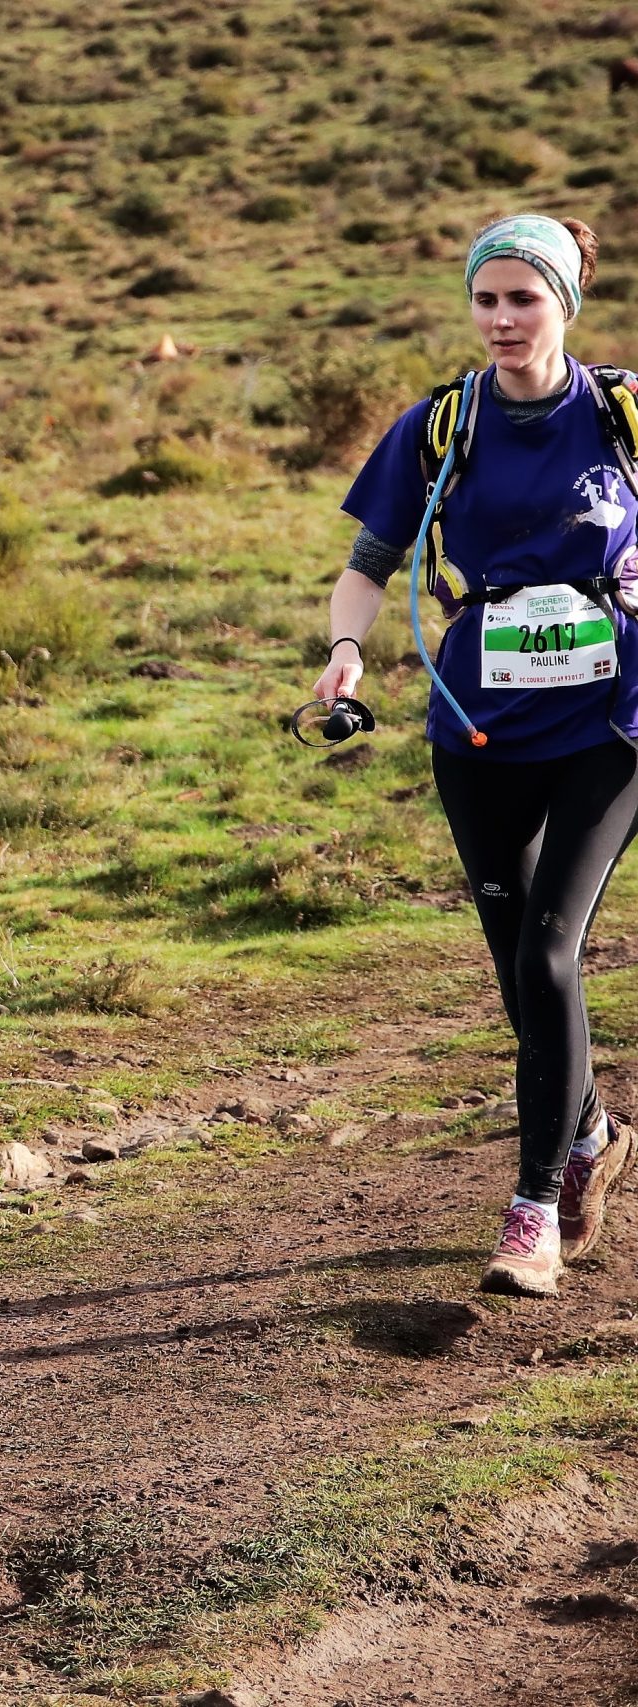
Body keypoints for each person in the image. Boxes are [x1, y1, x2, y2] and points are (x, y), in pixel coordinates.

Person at [314, 213, 638, 1297]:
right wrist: (345, 652)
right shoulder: (439, 425)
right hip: (479, 722)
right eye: (486, 299)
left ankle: (533, 1212)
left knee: (548, 953)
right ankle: (592, 1135)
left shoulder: (624, 413)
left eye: (523, 298)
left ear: (565, 303)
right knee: (517, 966)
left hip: (611, 722)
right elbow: (369, 561)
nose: (502, 319)